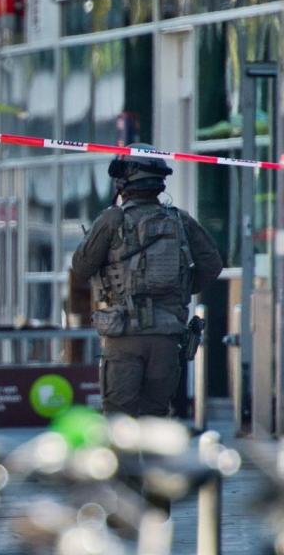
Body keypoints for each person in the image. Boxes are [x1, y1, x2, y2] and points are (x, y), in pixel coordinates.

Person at [71, 145, 222, 417]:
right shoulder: (180, 220)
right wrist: (181, 289)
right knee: (156, 419)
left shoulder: (112, 219)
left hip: (124, 335)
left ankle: (125, 462)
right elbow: (212, 265)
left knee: (119, 422)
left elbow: (81, 267)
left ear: (124, 180)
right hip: (167, 337)